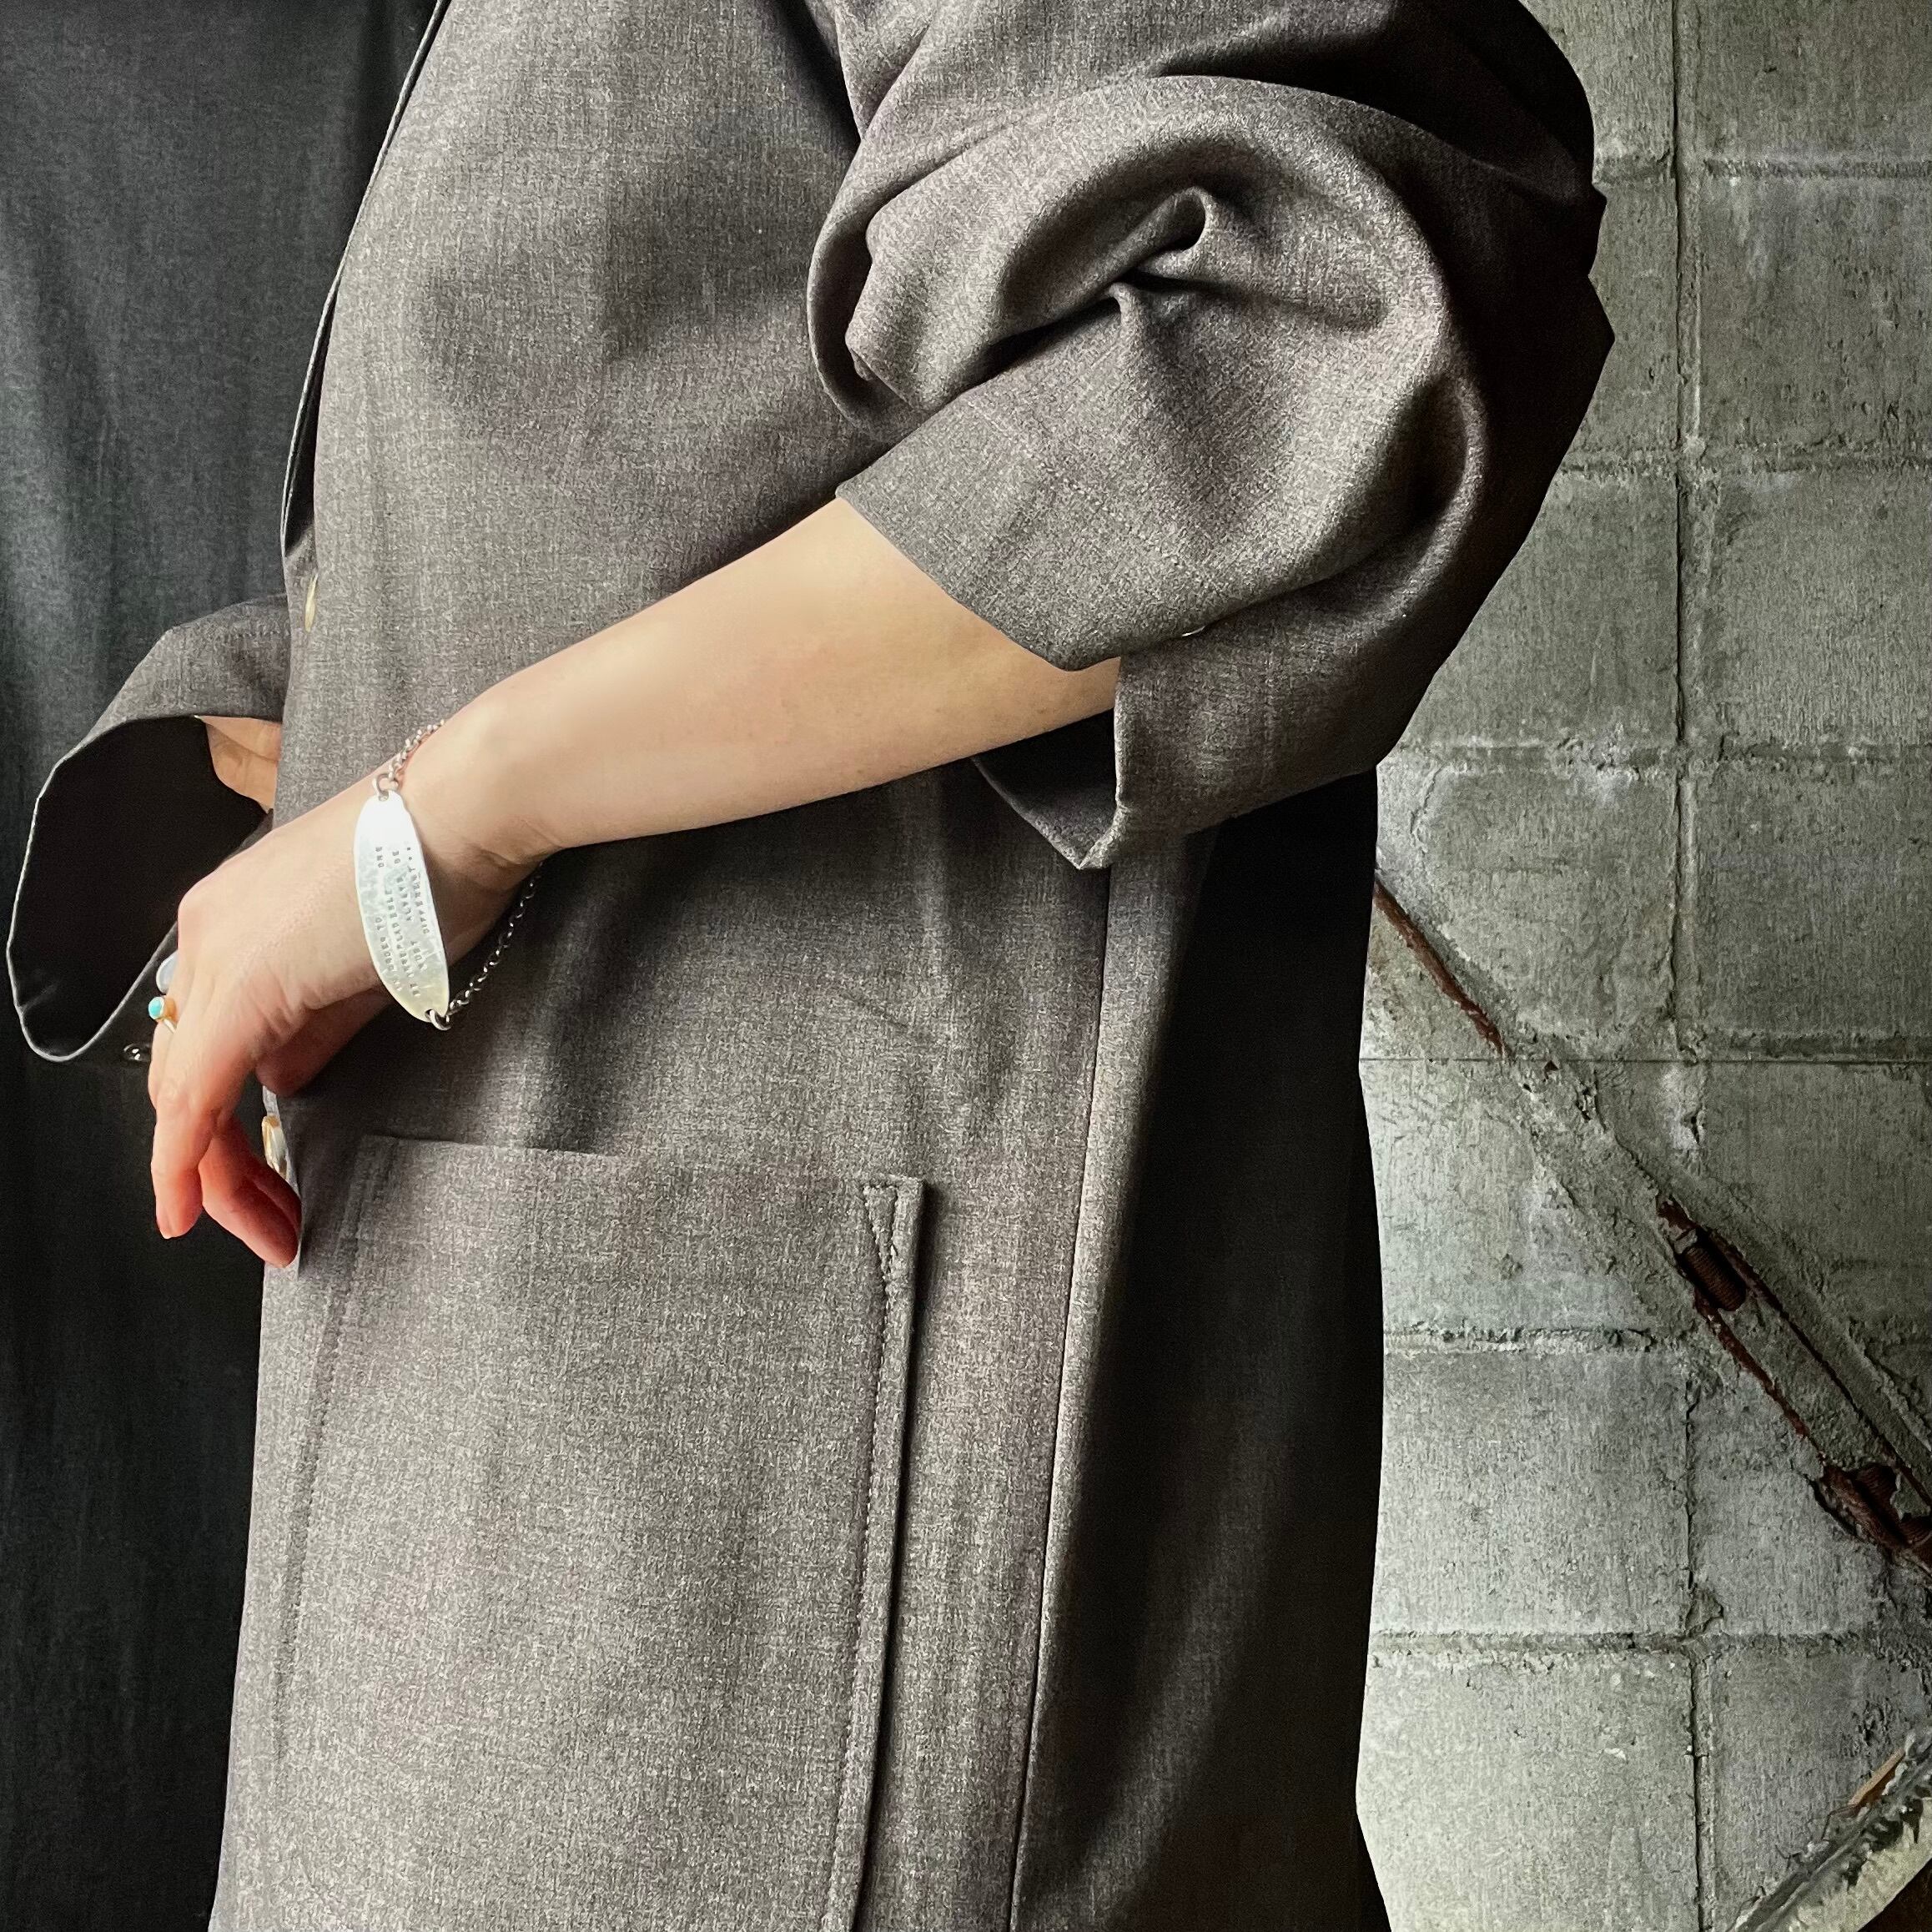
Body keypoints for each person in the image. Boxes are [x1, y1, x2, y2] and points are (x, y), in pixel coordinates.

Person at [8, 0, 1612, 1924]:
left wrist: (432, 825)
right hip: (536, 1522)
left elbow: (1324, 326)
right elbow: (645, 478)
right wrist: (306, 751)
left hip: (767, 1605)